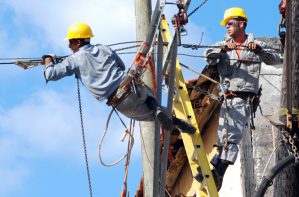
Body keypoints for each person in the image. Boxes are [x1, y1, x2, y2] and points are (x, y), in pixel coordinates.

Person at [43, 22, 196, 134]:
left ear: (78, 41)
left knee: (151, 118)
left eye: (70, 42)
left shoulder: (73, 59)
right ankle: (157, 108)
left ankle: (175, 123)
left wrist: (48, 60)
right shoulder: (104, 48)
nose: (69, 46)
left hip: (119, 100)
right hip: (130, 85)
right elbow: (121, 66)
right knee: (149, 97)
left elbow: (51, 74)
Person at [203, 7, 281, 190]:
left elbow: (275, 59)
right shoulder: (223, 45)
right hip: (228, 98)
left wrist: (260, 51)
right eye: (226, 25)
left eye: (230, 23)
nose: (227, 27)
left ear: (241, 23)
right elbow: (207, 55)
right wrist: (222, 49)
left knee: (232, 136)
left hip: (243, 98)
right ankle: (213, 168)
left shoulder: (256, 45)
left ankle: (219, 171)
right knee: (223, 138)